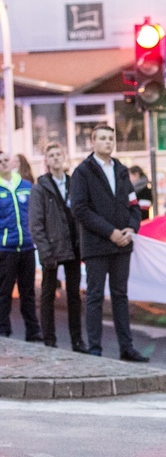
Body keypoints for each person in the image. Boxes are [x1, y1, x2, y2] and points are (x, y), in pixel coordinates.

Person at [70, 124, 148, 362]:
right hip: (96, 244)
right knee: (94, 296)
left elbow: (134, 205)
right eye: (102, 138)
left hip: (122, 243)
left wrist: (131, 228)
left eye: (110, 139)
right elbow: (80, 209)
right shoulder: (82, 172)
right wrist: (110, 232)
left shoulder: (122, 170)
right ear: (92, 142)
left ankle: (127, 347)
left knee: (120, 296)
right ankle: (95, 349)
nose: (107, 142)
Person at [29, 142, 87, 352]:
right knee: (47, 295)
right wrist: (45, 252)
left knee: (74, 296)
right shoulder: (40, 188)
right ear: (46, 161)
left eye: (58, 154)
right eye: (51, 155)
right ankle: (49, 341)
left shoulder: (74, 184)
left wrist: (82, 244)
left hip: (73, 247)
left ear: (64, 158)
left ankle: (77, 340)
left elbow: (81, 214)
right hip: (52, 250)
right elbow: (36, 223)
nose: (55, 158)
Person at [0, 150, 43, 341]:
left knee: (28, 293)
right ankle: (3, 330)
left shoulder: (26, 186)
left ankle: (33, 331)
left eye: (5, 160)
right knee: (4, 293)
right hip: (5, 249)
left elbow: (35, 215)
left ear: (12, 162)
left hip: (26, 247)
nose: (3, 163)